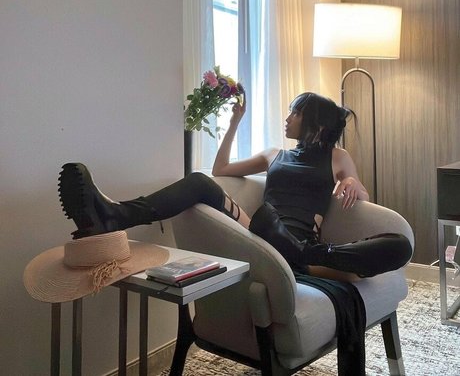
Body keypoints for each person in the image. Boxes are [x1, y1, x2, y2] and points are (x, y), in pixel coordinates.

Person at [58, 91, 412, 282]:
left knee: (399, 244)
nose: (287, 118)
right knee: (201, 182)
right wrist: (234, 123)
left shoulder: (337, 156)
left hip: (301, 237)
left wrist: (350, 180)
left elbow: (361, 195)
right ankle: (115, 216)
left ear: (314, 122)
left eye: (295, 113)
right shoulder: (274, 154)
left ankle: (305, 256)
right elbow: (221, 170)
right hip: (258, 229)